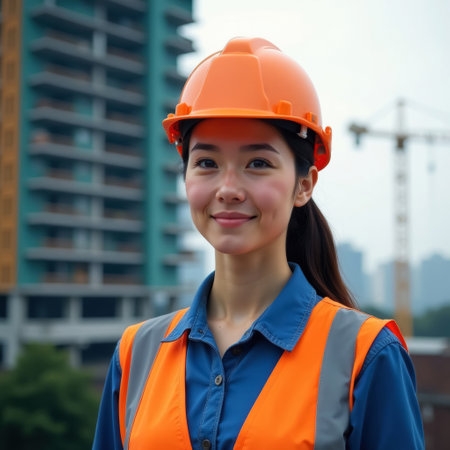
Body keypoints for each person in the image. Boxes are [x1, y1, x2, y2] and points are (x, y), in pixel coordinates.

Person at [93, 37, 424, 449]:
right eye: (207, 163)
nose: (228, 189)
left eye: (258, 163)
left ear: (304, 185)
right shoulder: (135, 354)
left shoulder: (366, 355)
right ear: (185, 178)